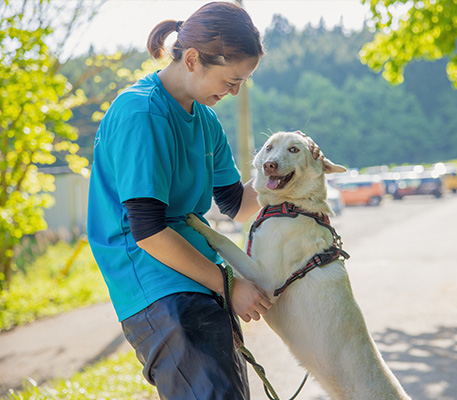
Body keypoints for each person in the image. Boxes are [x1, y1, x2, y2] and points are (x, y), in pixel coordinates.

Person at [87, 2, 320, 399]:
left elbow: (239, 204)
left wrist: (291, 165)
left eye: (242, 83)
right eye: (231, 80)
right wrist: (231, 285)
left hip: (199, 279)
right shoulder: (140, 112)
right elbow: (149, 232)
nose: (233, 92)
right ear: (192, 59)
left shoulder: (204, 119)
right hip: (158, 287)